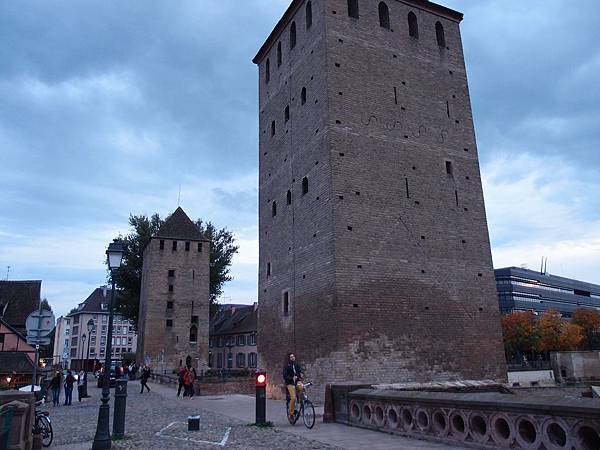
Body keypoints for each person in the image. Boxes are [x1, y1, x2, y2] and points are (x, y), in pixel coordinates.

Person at [283, 353, 304, 421]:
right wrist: (291, 378)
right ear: (289, 358)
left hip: (297, 382)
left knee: (302, 388)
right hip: (290, 383)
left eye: (293, 356)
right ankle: (291, 413)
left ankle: (301, 402)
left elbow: (300, 371)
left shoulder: (296, 365)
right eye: (291, 357)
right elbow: (285, 375)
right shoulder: (286, 366)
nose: (293, 358)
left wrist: (301, 374)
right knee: (293, 398)